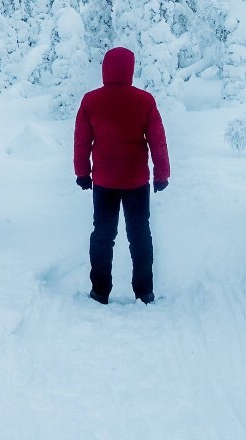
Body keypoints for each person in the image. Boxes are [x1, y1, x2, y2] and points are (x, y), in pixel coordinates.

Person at [74, 47, 169, 305]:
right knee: (140, 235)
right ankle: (144, 292)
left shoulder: (91, 101)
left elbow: (81, 142)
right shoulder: (144, 100)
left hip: (104, 182)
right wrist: (162, 174)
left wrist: (82, 172)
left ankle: (100, 292)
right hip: (136, 181)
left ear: (105, 68)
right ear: (131, 69)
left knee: (103, 235)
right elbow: (158, 142)